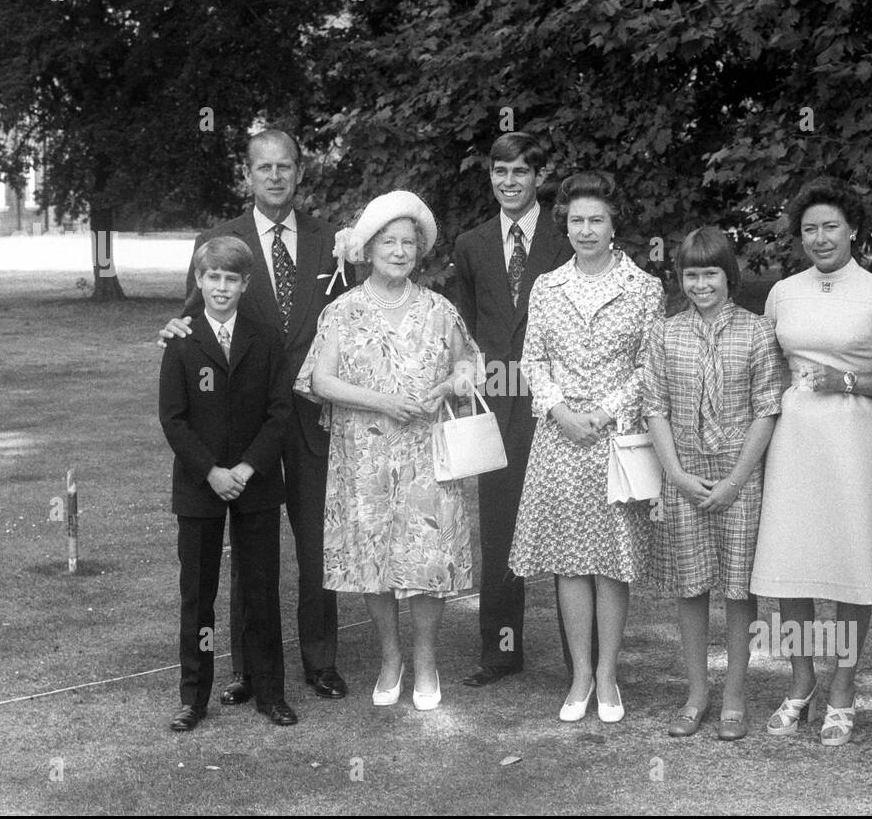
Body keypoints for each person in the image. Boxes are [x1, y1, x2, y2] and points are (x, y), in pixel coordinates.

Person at [159, 129, 354, 705]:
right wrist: (173, 330)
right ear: (248, 174)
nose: (275, 176)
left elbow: (355, 320)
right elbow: (195, 319)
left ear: (300, 172)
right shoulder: (220, 241)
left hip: (317, 414)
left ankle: (321, 660)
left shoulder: (330, 242)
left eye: (285, 166)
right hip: (247, 421)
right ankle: (249, 668)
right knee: (252, 545)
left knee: (318, 538)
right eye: (263, 167)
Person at [749, 176, 872, 746]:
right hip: (793, 443)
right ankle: (801, 681)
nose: (821, 238)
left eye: (831, 227)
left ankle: (843, 688)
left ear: (852, 230)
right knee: (791, 565)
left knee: (848, 568)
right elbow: (766, 369)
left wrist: (848, 380)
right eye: (810, 229)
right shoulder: (782, 294)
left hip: (854, 442)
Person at [296, 190, 477, 711]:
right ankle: (389, 658)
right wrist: (384, 402)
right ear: (368, 248)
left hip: (427, 456)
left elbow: (468, 363)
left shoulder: (439, 310)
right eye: (388, 242)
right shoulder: (343, 311)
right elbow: (318, 379)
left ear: (419, 252)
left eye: (408, 243)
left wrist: (455, 382)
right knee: (372, 560)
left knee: (427, 561)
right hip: (364, 459)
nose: (398, 251)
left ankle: (425, 662)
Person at [509, 171, 664, 723]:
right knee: (571, 563)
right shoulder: (547, 287)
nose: (586, 229)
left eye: (596, 219)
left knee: (612, 562)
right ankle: (578, 675)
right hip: (560, 440)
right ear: (564, 225)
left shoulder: (644, 288)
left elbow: (651, 366)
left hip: (616, 441)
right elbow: (533, 361)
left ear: (614, 222)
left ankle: (607, 674)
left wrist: (604, 411)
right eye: (576, 220)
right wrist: (559, 411)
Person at [449, 132, 584, 688]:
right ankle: (501, 651)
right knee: (501, 528)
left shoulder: (566, 236)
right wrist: (464, 368)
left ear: (540, 175)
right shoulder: (472, 243)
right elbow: (463, 323)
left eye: (521, 172)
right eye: (499, 172)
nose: (509, 182)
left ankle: (584, 658)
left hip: (560, 399)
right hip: (499, 399)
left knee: (572, 526)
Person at [643, 227, 783, 740]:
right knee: (692, 583)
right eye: (691, 274)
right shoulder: (664, 332)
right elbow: (653, 406)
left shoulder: (758, 331)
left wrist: (736, 480)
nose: (701, 284)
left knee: (738, 586)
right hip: (683, 474)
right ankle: (697, 691)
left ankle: (735, 695)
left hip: (739, 475)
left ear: (729, 276)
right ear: (680, 278)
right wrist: (676, 473)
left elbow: (768, 407)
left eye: (711, 273)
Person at [158, 237, 297, 730]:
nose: (221, 287)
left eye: (231, 279)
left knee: (260, 588)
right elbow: (173, 419)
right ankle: (193, 697)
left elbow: (280, 412)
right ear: (199, 281)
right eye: (212, 277)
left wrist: (247, 468)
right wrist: (212, 471)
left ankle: (269, 691)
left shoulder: (266, 336)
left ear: (246, 284)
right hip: (200, 485)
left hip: (254, 483)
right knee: (198, 593)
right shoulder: (180, 340)